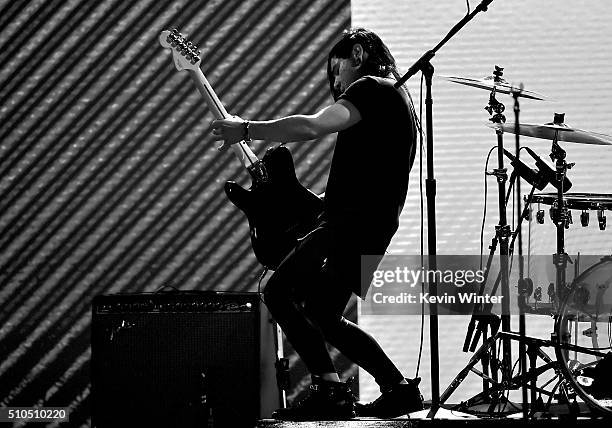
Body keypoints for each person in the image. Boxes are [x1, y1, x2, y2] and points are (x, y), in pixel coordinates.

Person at [211, 28, 422, 420]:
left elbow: (311, 127)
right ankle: (397, 389)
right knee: (325, 315)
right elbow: (375, 178)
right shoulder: (399, 98)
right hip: (370, 223)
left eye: (336, 71)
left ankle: (331, 390)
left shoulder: (371, 87)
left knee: (277, 290)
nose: (335, 82)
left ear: (357, 53)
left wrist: (247, 130)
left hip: (350, 224)